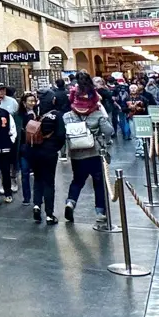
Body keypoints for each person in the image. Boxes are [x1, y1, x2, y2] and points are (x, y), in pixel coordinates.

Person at [63, 72, 114, 224]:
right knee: (99, 183)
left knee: (77, 181)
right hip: (95, 152)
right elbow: (109, 131)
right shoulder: (97, 114)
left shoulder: (68, 116)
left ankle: (70, 202)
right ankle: (100, 212)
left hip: (77, 154)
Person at [28, 109, 65, 224]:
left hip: (35, 151)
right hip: (49, 152)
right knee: (49, 182)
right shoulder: (57, 115)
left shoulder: (37, 113)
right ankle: (49, 214)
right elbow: (60, 134)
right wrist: (56, 148)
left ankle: (37, 205)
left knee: (38, 179)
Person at [16, 91, 39, 205]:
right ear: (24, 103)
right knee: (25, 172)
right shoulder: (21, 115)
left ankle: (38, 196)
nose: (32, 103)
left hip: (36, 145)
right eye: (30, 101)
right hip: (25, 146)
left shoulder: (36, 112)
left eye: (34, 101)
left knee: (38, 172)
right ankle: (26, 197)